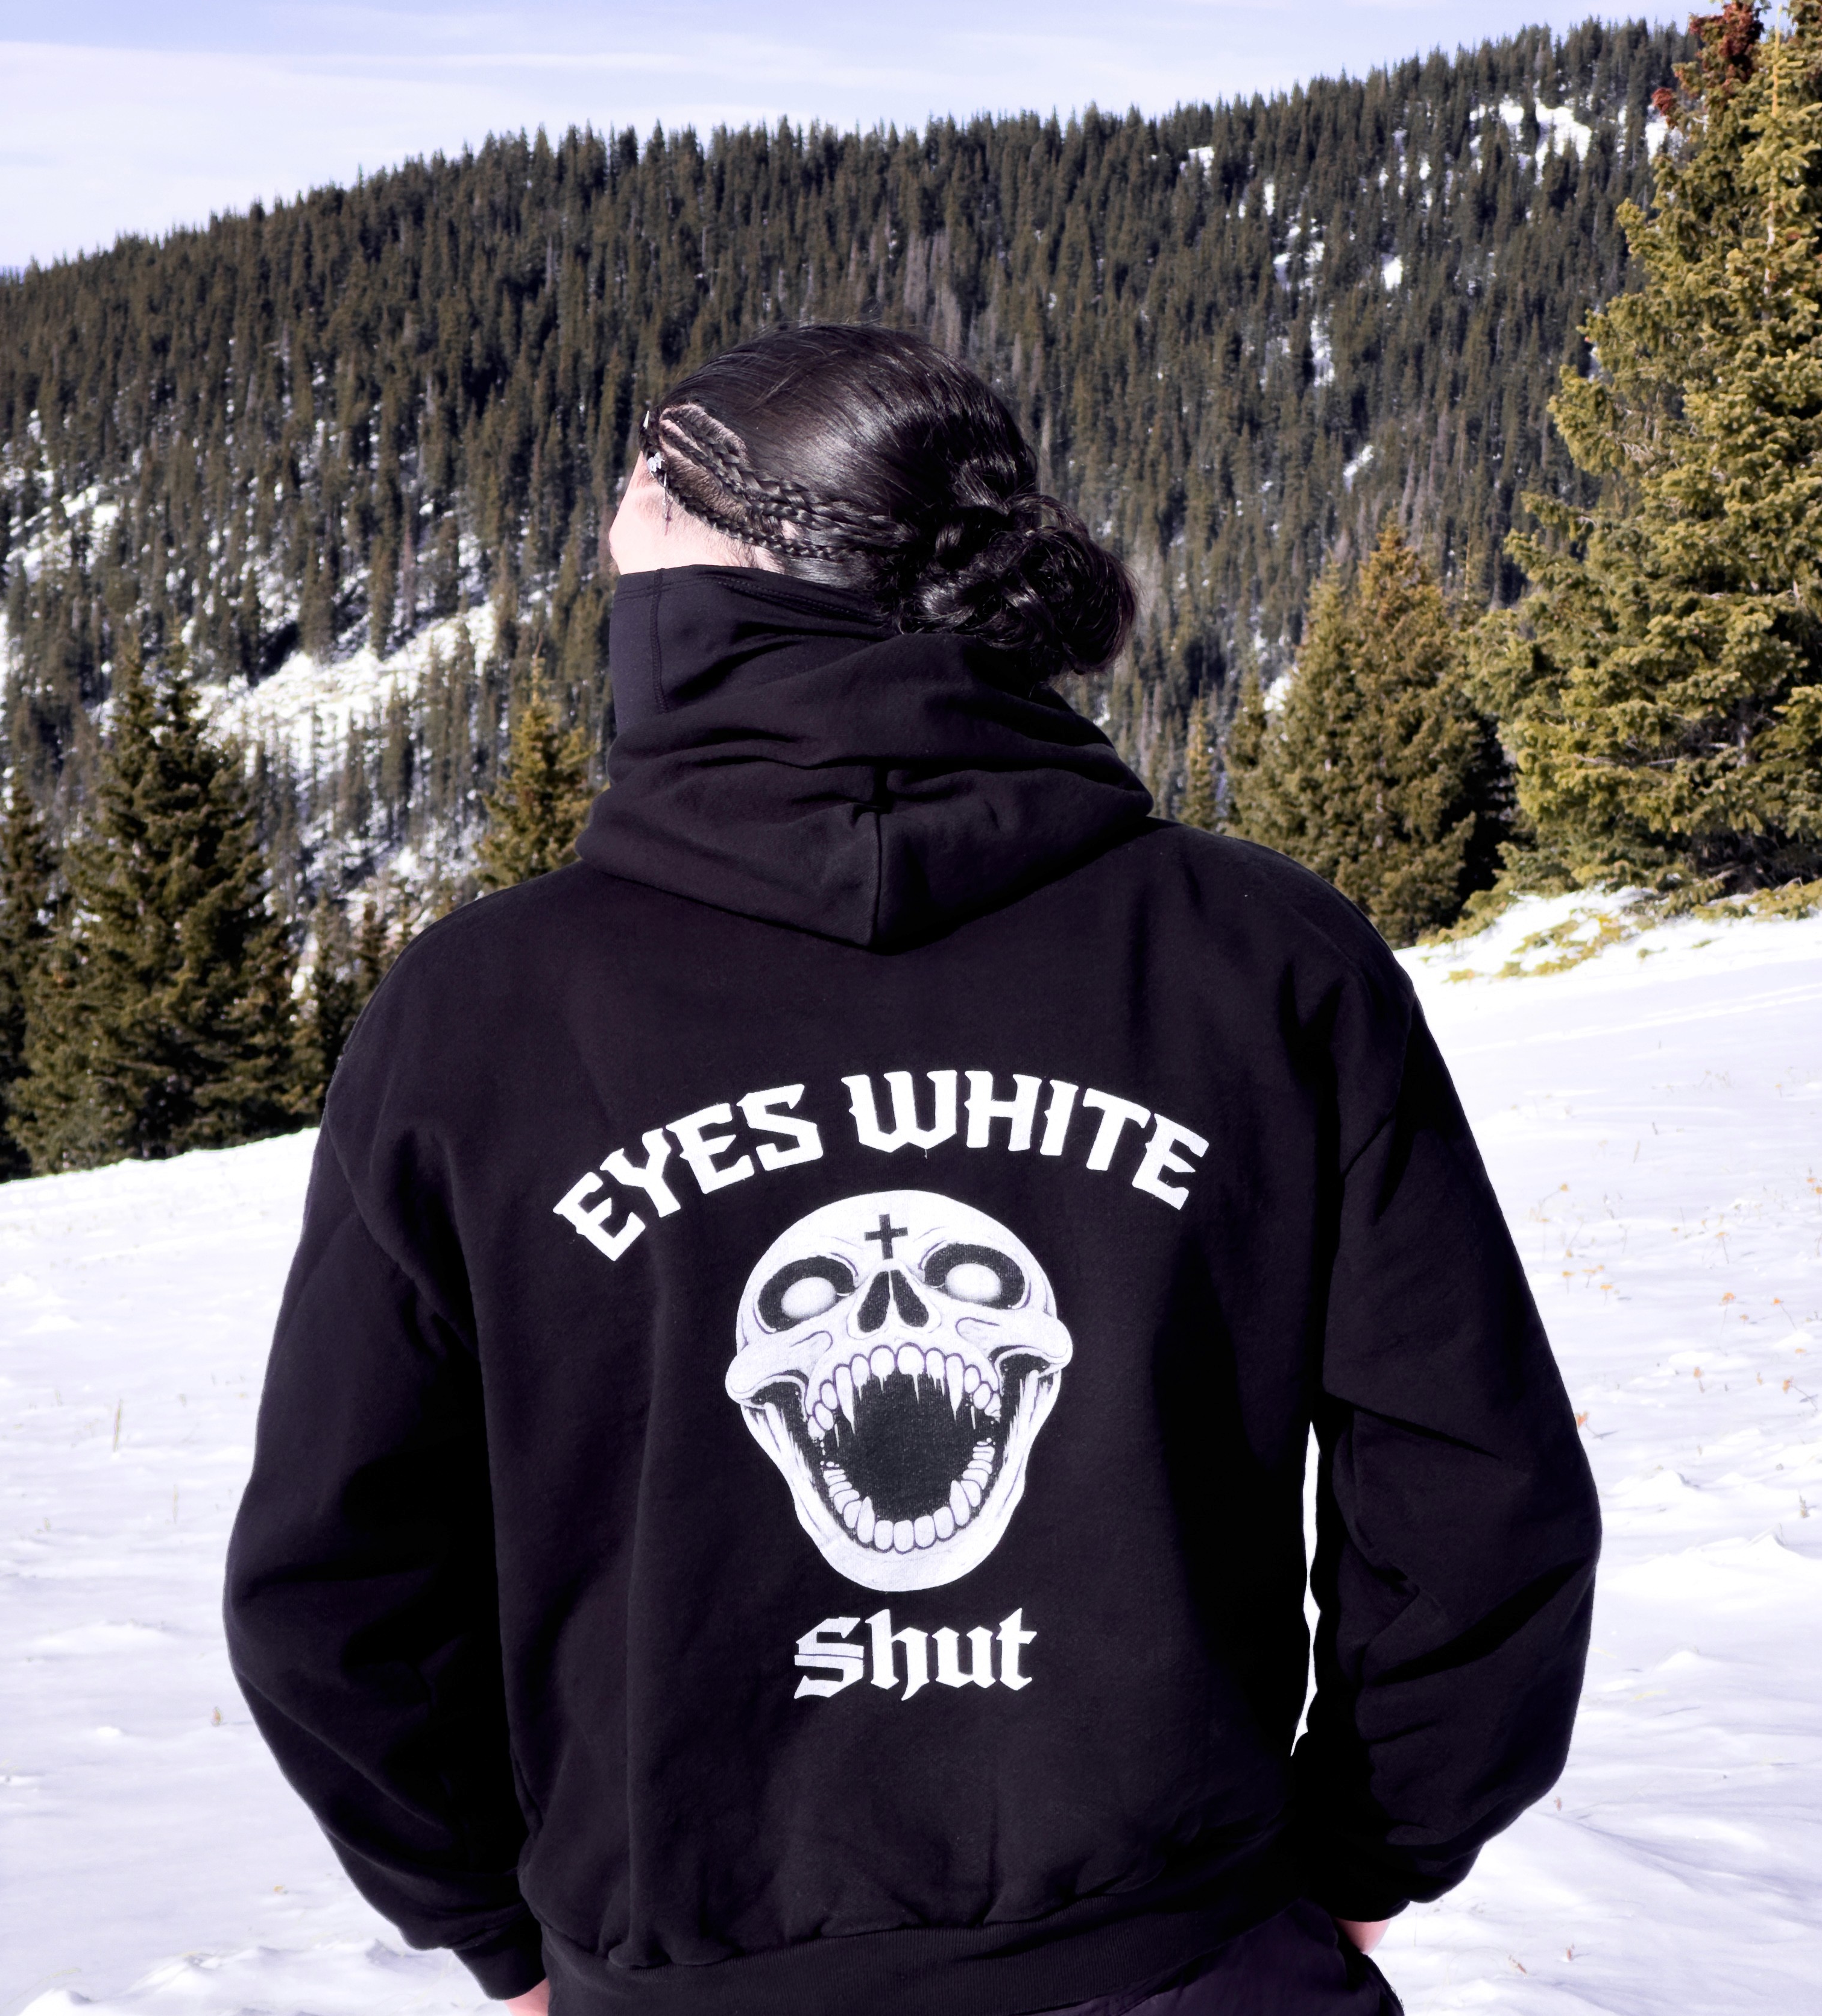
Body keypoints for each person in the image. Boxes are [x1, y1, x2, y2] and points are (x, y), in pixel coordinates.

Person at [225, 324, 1600, 2016]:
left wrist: (495, 1925)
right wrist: (1375, 1850)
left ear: (712, 552)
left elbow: (338, 1575)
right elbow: (1477, 1494)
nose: (608, 515)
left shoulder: (486, 1010)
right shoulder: (1261, 958)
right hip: (1195, 1961)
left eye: (642, 478)